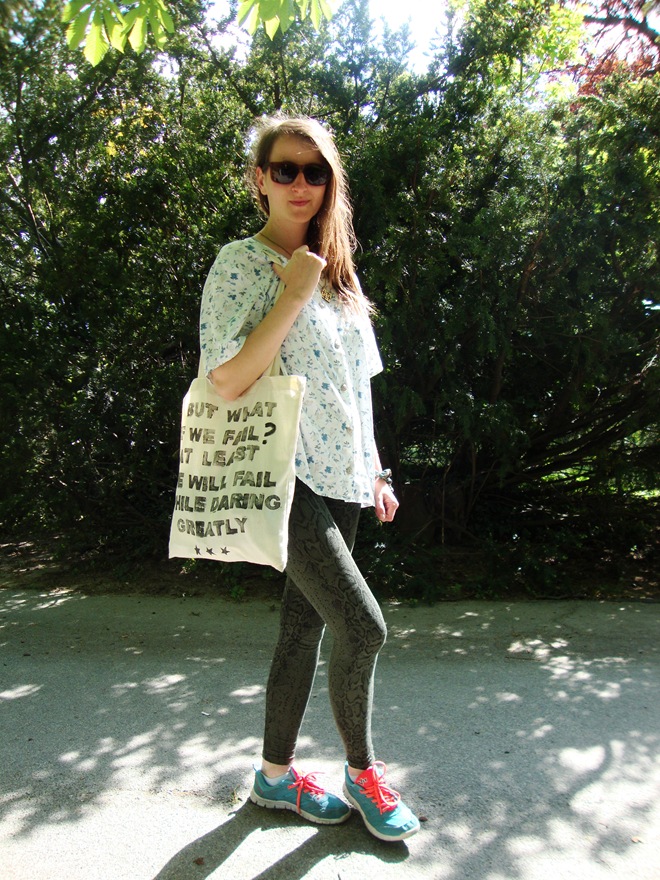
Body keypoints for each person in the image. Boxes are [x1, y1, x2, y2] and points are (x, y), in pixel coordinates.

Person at [199, 114, 419, 843]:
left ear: (330, 183)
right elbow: (226, 379)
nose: (300, 183)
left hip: (343, 477)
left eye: (314, 170)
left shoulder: (342, 281)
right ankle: (362, 774)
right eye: (285, 169)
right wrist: (291, 292)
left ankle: (274, 776)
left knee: (303, 629)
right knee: (364, 627)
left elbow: (357, 389)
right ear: (259, 179)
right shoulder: (242, 263)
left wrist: (376, 469)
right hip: (280, 474)